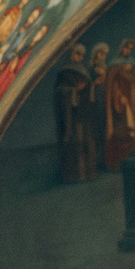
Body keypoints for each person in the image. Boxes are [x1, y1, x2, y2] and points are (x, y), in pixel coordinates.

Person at [53, 44, 97, 183]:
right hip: (71, 115)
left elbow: (89, 88)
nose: (79, 57)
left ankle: (88, 173)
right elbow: (59, 91)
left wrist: (86, 88)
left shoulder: (83, 71)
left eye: (81, 55)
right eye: (76, 54)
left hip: (84, 113)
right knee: (75, 144)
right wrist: (73, 91)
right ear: (71, 54)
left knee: (86, 142)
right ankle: (75, 175)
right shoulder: (64, 72)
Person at [101, 38, 135, 172]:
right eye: (125, 48)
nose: (127, 51)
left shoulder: (132, 65)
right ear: (121, 48)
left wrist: (134, 72)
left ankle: (132, 162)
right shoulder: (114, 65)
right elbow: (112, 86)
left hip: (131, 105)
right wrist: (119, 97)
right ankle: (118, 164)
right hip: (119, 106)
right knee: (121, 134)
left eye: (129, 49)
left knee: (131, 133)